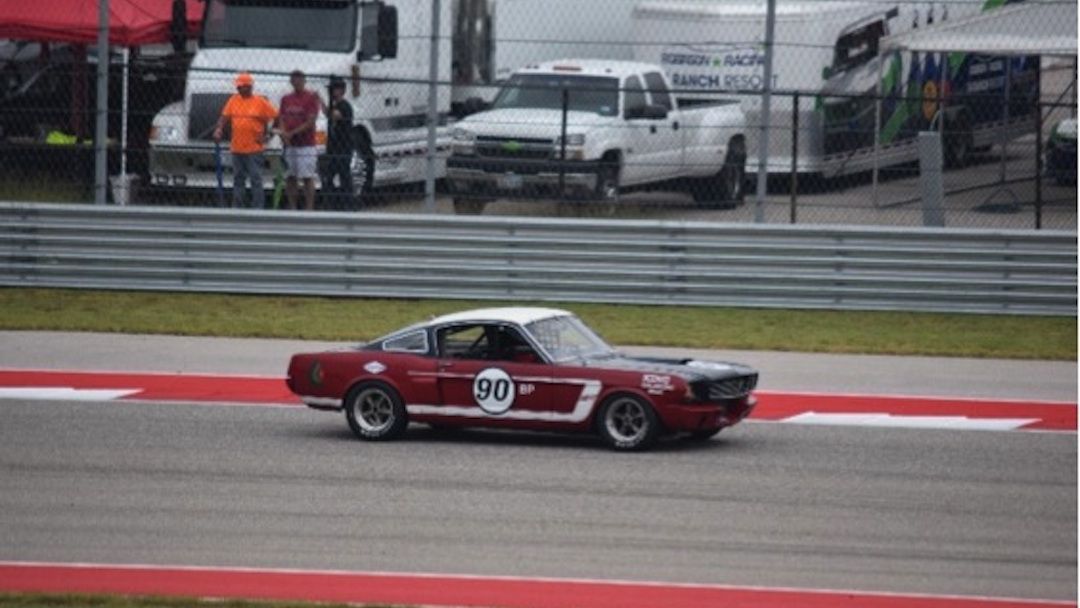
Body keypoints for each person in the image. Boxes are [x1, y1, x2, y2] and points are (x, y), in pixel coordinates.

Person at [213, 72, 277, 209]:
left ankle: (257, 208)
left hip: (254, 149)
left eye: (241, 86)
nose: (239, 89)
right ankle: (237, 207)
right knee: (238, 179)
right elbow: (224, 117)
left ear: (249, 87)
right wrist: (219, 129)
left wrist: (269, 135)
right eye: (238, 87)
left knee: (256, 179)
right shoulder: (233, 100)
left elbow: (276, 117)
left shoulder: (260, 102)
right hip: (237, 148)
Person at [278, 69, 322, 211]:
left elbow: (310, 121)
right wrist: (284, 133)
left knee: (307, 177)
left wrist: (292, 133)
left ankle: (309, 208)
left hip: (306, 145)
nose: (296, 82)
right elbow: (282, 118)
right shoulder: (286, 99)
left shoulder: (310, 98)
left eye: (299, 79)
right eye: (294, 80)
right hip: (291, 145)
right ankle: (292, 207)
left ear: (304, 81)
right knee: (291, 176)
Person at [322, 75, 355, 210]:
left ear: (341, 90)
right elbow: (328, 114)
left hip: (343, 148)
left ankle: (347, 203)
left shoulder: (344, 106)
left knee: (344, 175)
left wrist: (322, 102)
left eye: (334, 89)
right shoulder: (334, 105)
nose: (331, 92)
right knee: (328, 177)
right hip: (333, 148)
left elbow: (335, 115)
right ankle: (333, 202)